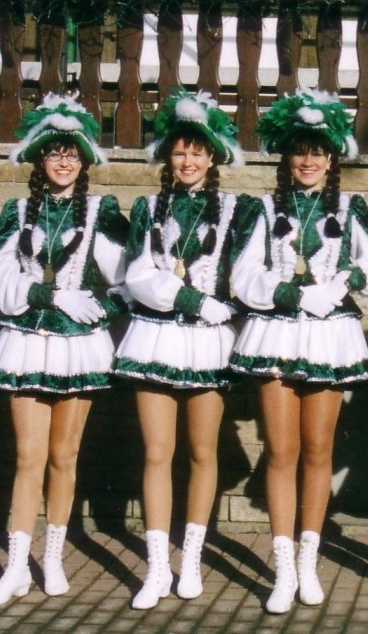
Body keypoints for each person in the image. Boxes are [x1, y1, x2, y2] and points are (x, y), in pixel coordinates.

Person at [228, 87, 368, 613]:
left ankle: (309, 562)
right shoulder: (263, 207)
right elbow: (242, 275)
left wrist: (344, 281)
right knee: (281, 451)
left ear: (333, 157)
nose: (309, 161)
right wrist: (292, 294)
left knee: (319, 451)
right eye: (300, 152)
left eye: (318, 152)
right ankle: (282, 568)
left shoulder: (349, 206)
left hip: (328, 337)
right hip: (277, 332)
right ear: (286, 156)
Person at [0, 93, 128, 606]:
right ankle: (16, 567)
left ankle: (54, 558)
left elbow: (127, 280)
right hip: (26, 342)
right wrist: (51, 295)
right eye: (54, 152)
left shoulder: (101, 211)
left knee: (64, 456)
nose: (63, 161)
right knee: (28, 457)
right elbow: (3, 285)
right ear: (39, 159)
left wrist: (101, 310)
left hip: (77, 348)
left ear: (84, 160)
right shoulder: (17, 211)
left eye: (72, 153)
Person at [113, 88, 244, 609]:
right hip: (156, 335)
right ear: (168, 156)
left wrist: (222, 306)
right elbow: (137, 275)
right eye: (179, 151)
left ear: (212, 157)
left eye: (197, 152)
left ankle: (189, 559)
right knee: (156, 452)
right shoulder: (148, 207)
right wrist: (189, 298)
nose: (188, 161)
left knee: (203, 452)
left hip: (209, 342)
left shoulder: (237, 208)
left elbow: (247, 272)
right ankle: (156, 568)